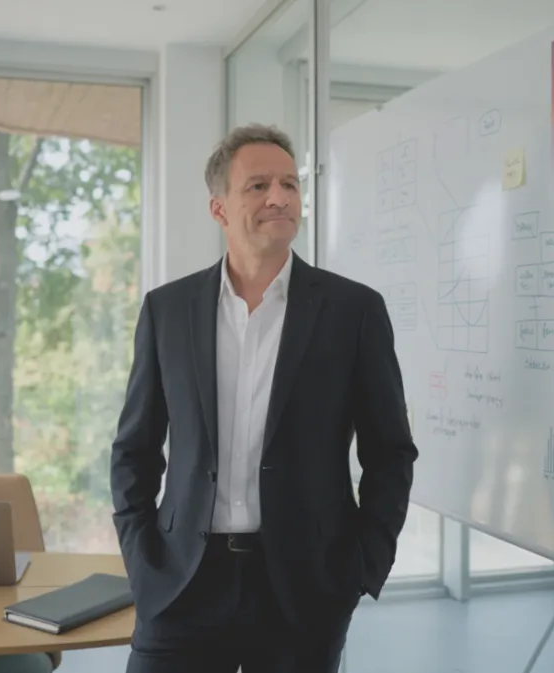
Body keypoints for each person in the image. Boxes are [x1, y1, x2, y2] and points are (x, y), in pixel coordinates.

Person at [110, 123, 418, 673]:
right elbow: (134, 447)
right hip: (181, 583)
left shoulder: (354, 312)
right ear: (219, 208)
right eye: (257, 186)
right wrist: (141, 556)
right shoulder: (168, 311)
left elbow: (390, 451)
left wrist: (361, 567)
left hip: (304, 588)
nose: (279, 197)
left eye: (289, 184)